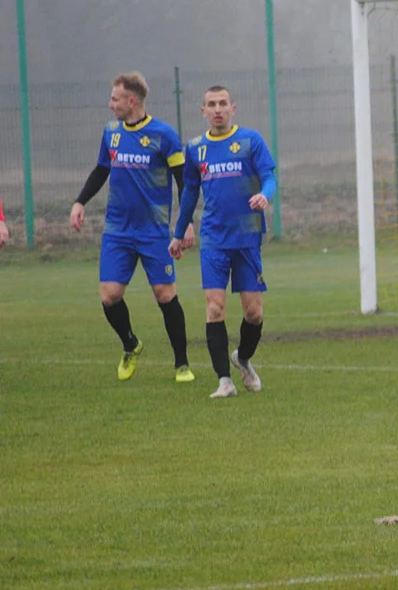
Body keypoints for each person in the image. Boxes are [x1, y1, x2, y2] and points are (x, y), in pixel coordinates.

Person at [69, 72, 196, 383]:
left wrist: (186, 221)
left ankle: (182, 364)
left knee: (165, 294)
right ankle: (130, 344)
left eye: (115, 99)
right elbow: (102, 169)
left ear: (132, 100)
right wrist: (80, 201)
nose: (110, 105)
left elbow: (184, 179)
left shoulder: (163, 134)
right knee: (110, 296)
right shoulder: (111, 132)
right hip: (117, 231)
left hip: (153, 232)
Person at [169, 86, 276, 399]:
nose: (218, 109)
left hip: (246, 237)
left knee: (253, 313)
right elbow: (190, 191)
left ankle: (242, 357)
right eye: (211, 105)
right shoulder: (196, 148)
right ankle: (224, 381)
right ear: (203, 111)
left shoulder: (250, 141)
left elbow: (269, 176)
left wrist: (264, 195)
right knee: (214, 307)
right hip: (214, 238)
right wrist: (178, 232)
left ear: (233, 108)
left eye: (223, 104)